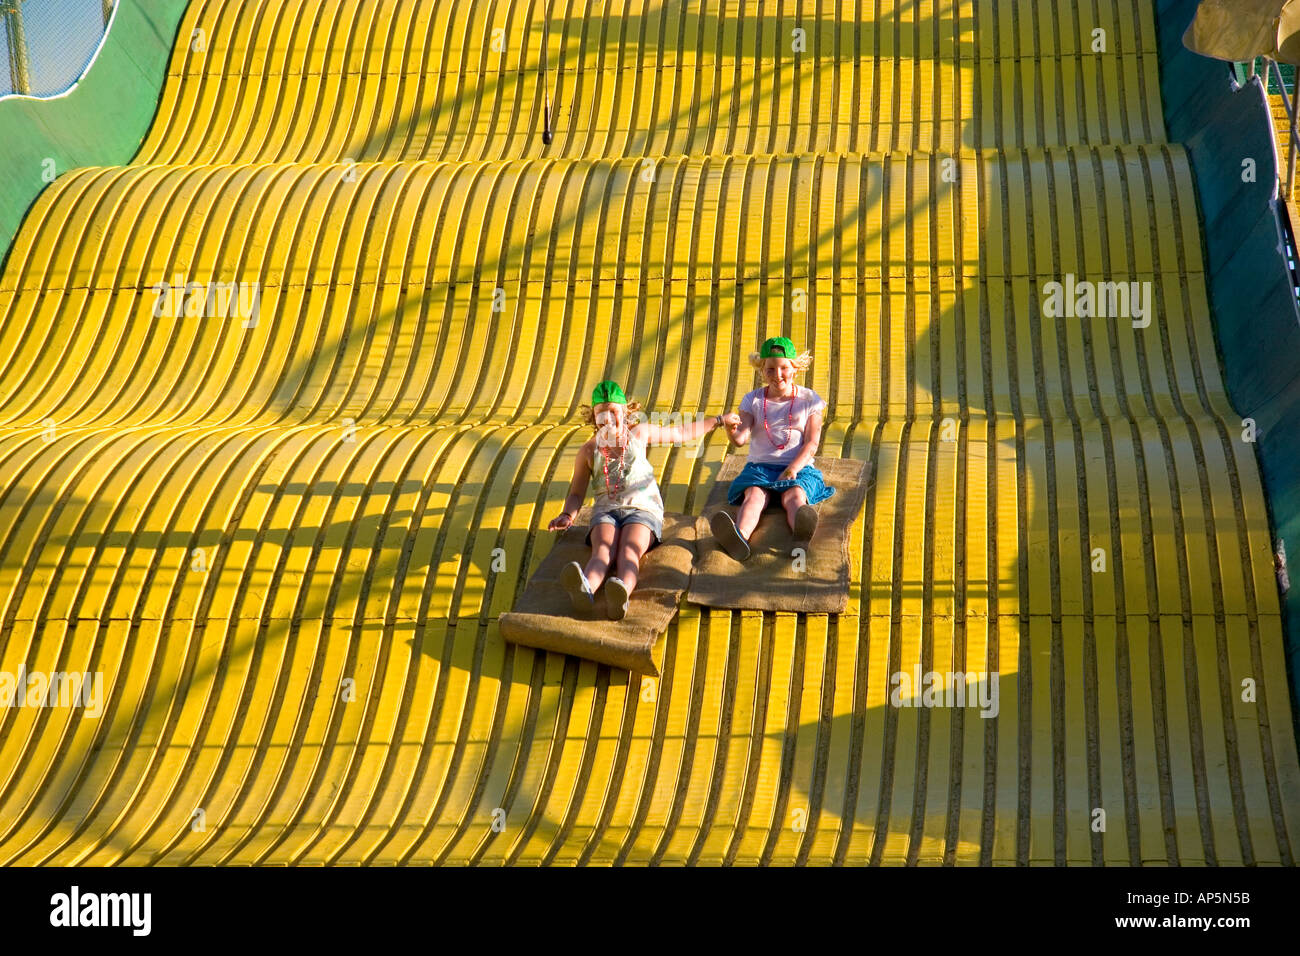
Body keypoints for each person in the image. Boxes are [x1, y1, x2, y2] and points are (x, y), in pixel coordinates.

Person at [548, 380, 725, 619]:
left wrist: (718, 421)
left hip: (642, 510)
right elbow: (577, 493)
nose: (608, 417)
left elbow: (680, 432)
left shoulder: (638, 434)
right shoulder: (588, 451)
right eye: (601, 412)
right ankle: (585, 589)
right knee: (602, 550)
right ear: (593, 417)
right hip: (606, 511)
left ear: (625, 412)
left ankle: (621, 591)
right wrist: (568, 515)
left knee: (628, 552)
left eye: (613, 411)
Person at [711, 336, 836, 561]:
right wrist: (730, 429)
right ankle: (739, 537)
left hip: (797, 466)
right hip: (760, 467)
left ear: (795, 368)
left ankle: (800, 537)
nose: (778, 375)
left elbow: (811, 443)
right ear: (762, 370)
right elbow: (740, 439)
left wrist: (792, 469)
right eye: (770, 369)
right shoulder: (753, 400)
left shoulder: (809, 399)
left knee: (794, 495)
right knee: (754, 497)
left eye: (784, 368)